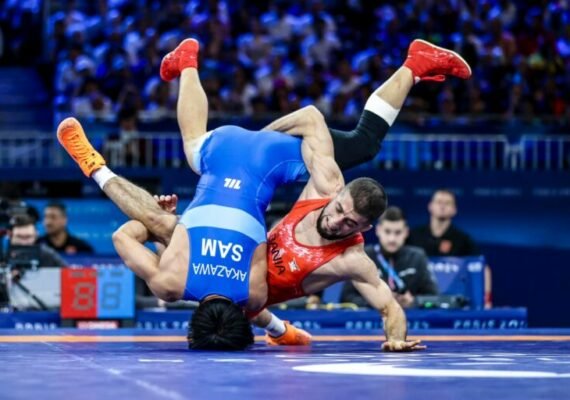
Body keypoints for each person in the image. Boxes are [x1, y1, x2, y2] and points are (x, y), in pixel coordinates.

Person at [151, 38, 471, 350]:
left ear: (364, 229)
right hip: (262, 160)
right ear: (338, 197)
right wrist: (254, 149)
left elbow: (389, 307)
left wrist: (395, 338)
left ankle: (187, 62)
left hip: (255, 164)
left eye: (350, 223)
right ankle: (415, 64)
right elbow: (311, 116)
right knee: (196, 148)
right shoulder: (326, 189)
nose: (336, 221)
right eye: (340, 210)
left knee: (362, 144)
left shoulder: (347, 260)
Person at [57, 38, 374, 351]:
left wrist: (281, 330)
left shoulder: (254, 295)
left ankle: (406, 74)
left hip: (268, 158)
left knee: (355, 150)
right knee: (190, 150)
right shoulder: (171, 283)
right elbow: (123, 235)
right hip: (225, 152)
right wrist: (166, 229)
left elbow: (252, 309)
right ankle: (99, 161)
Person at [407, 189, 492, 308]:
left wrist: (486, 300)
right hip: (417, 301)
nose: (442, 206)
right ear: (430, 206)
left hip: (452, 303)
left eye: (447, 203)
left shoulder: (462, 239)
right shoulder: (414, 236)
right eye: (439, 202)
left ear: (454, 210)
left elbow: (482, 268)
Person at [340, 206, 438, 309]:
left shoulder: (418, 257)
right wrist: (377, 302)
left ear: (406, 232)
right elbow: (346, 298)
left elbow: (434, 298)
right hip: (374, 316)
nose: (392, 239)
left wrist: (413, 302)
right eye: (387, 231)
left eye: (398, 232)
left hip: (408, 316)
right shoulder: (363, 255)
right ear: (378, 230)